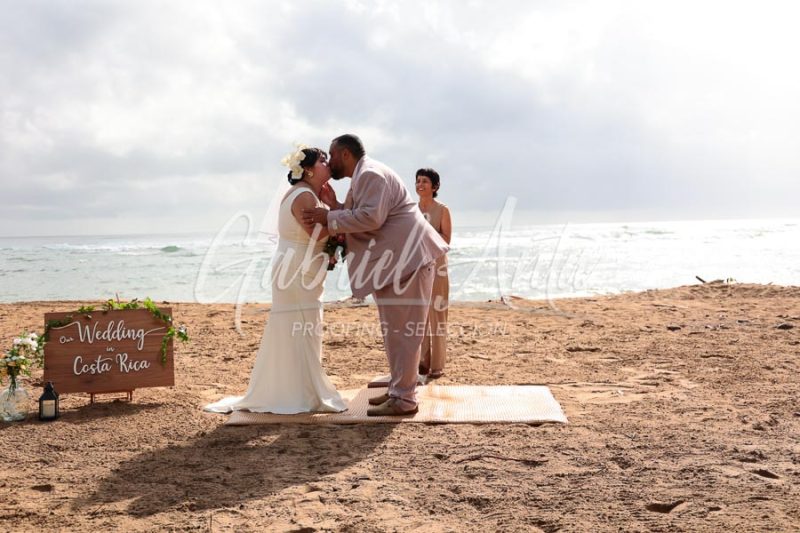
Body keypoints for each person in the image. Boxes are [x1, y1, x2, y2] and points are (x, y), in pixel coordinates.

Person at [302, 134, 449, 416]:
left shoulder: (370, 174)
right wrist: (337, 207)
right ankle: (398, 390)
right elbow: (364, 213)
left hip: (410, 261)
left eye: (332, 156)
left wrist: (328, 218)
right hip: (397, 264)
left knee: (405, 332)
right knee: (394, 331)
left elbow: (371, 218)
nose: (330, 162)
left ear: (345, 154)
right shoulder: (364, 175)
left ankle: (405, 399)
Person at [204, 146, 346, 414]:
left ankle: (297, 388)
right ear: (308, 169)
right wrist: (343, 230)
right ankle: (297, 393)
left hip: (301, 268)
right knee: (298, 326)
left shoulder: (311, 194)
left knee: (304, 327)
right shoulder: (303, 196)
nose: (328, 163)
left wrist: (332, 208)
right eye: (323, 160)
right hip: (296, 270)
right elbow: (318, 235)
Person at [415, 168, 451, 379]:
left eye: (425, 181)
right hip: (416, 266)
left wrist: (425, 237)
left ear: (435, 186)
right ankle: (422, 362)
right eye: (418, 181)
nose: (420, 184)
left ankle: (437, 365)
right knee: (419, 316)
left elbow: (446, 240)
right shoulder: (411, 210)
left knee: (437, 314)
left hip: (437, 266)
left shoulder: (442, 210)